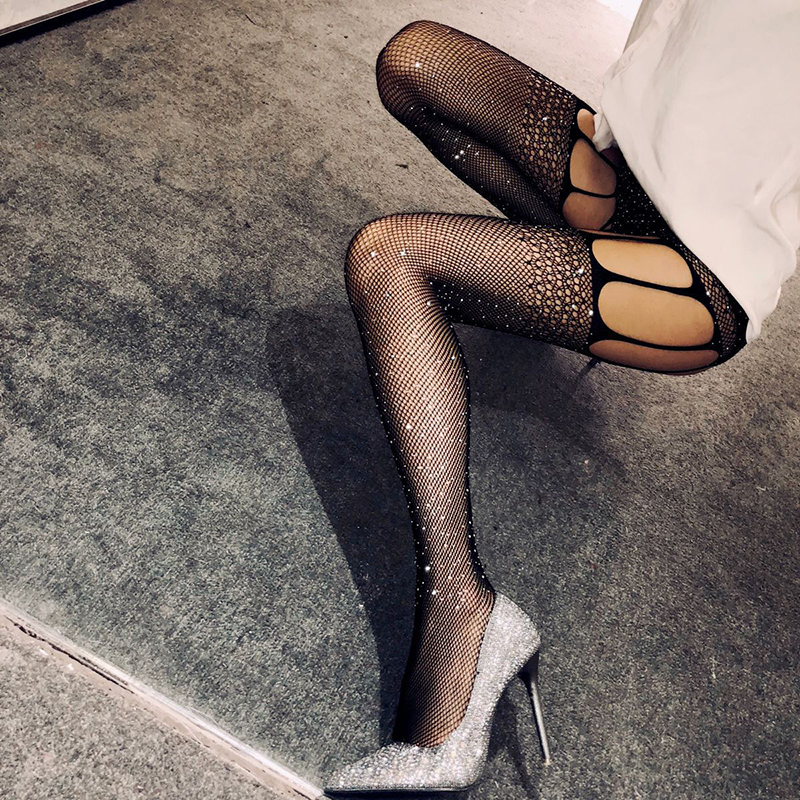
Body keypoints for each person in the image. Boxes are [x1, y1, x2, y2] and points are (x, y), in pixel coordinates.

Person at [326, 4, 799, 793]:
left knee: (390, 259)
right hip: (627, 178)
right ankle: (552, 290)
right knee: (414, 62)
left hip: (701, 276)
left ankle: (462, 612)